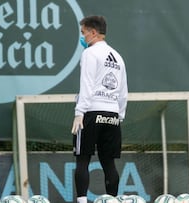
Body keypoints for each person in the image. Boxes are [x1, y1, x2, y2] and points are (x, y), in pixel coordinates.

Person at [71, 15, 128, 203]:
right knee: (109, 163)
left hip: (91, 111)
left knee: (82, 159)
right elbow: (123, 91)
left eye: (83, 33)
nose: (83, 37)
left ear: (93, 32)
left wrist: (80, 113)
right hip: (112, 114)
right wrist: (119, 115)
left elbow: (86, 84)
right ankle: (112, 200)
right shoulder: (118, 56)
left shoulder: (90, 53)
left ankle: (82, 201)